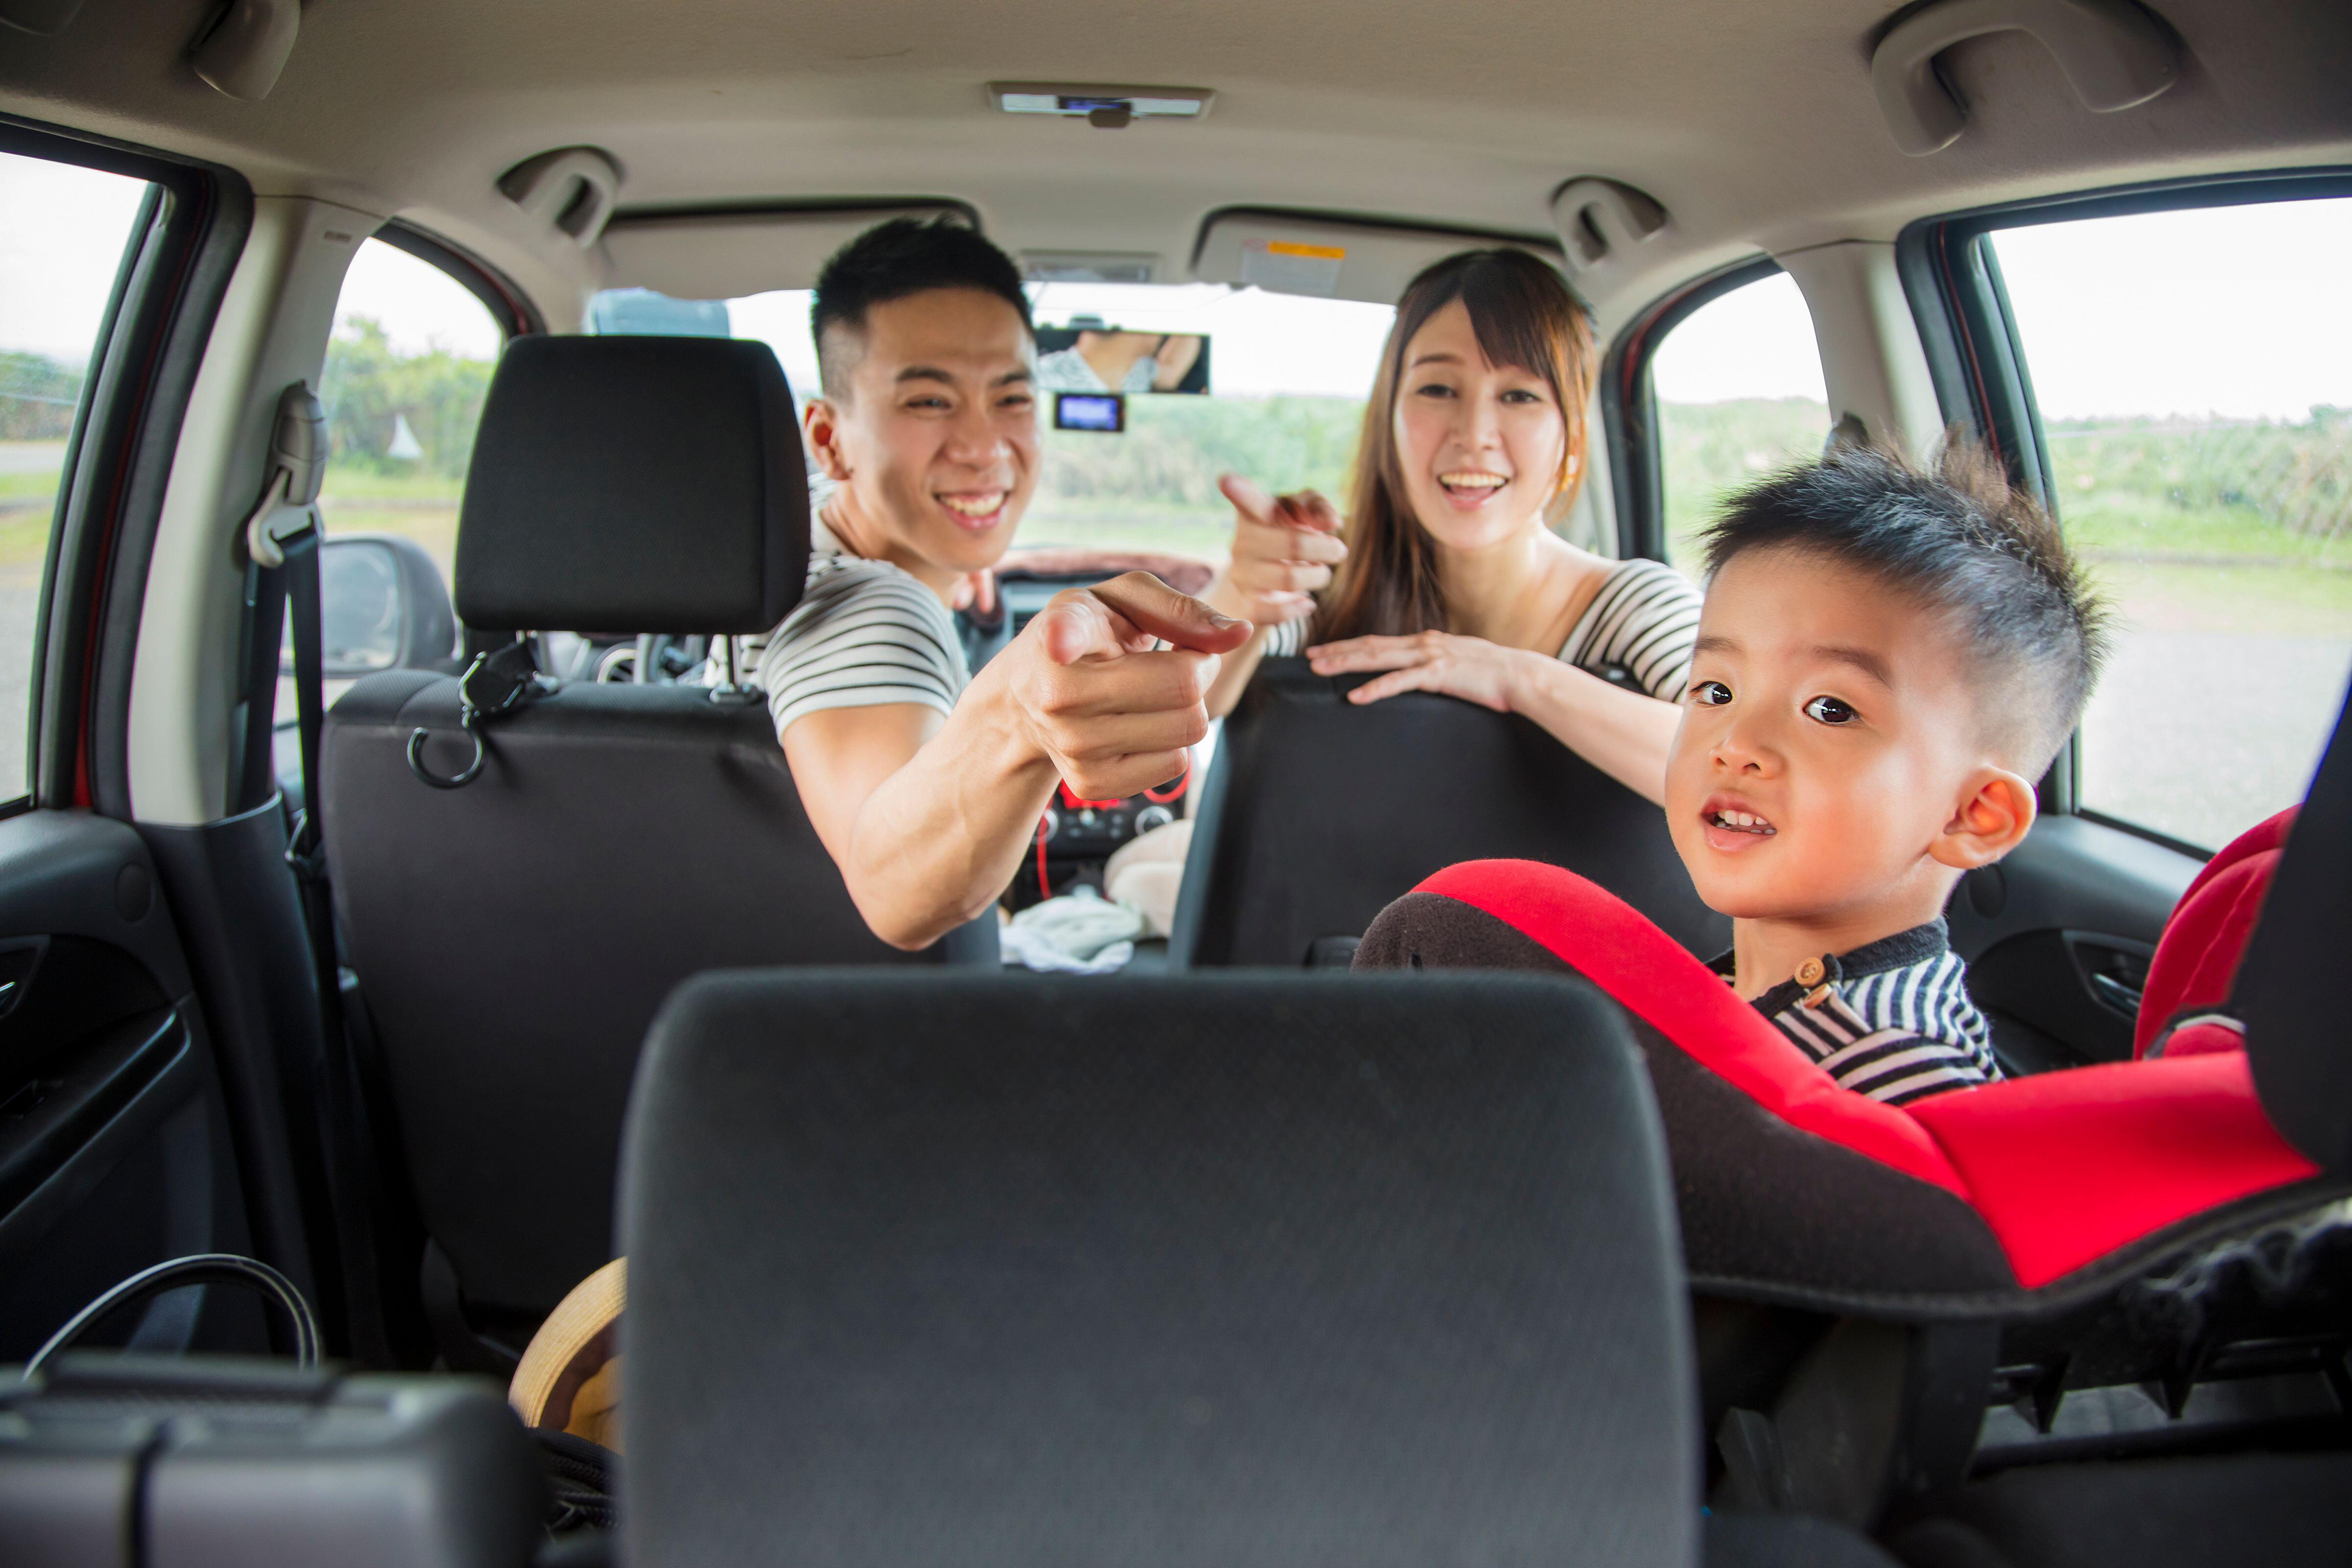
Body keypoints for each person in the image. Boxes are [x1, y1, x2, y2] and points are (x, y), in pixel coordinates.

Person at [740, 218, 1248, 950]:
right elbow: (893, 888)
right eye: (928, 402)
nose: (984, 449)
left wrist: (952, 557)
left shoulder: (787, 545)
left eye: (1011, 399)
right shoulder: (875, 609)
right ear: (827, 438)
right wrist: (1017, 714)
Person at [1667, 441, 2107, 1103]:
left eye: (1830, 708)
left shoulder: (1896, 1079)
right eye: (1717, 691)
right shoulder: (1741, 994)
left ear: (1973, 816)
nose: (1736, 743)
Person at [1200, 248, 1700, 803]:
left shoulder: (1636, 606)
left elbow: (1746, 764)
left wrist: (1516, 677)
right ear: (1388, 418)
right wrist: (1244, 593)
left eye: (1520, 395)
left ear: (1573, 437)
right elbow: (1194, 701)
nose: (1475, 431)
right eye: (1438, 389)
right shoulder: (1327, 584)